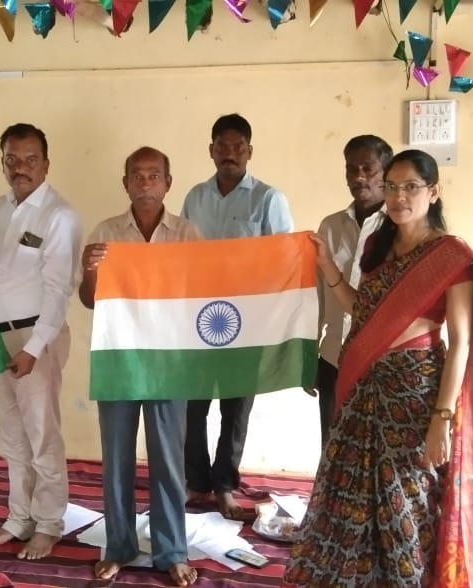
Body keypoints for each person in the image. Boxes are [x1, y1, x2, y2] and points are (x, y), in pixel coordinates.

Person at [284, 150, 473, 587]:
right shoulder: (378, 247)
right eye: (392, 187)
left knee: (406, 499)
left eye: (411, 187)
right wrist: (326, 265)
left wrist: (442, 418)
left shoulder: (450, 256)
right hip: (365, 390)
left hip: (413, 393)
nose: (399, 197)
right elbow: (362, 310)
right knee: (350, 496)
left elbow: (460, 344)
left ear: (433, 192)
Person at [0, 123, 81, 560]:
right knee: (11, 434)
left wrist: (33, 348)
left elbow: (59, 289)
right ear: (2, 161)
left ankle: (48, 523)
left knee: (42, 433)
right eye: (12, 159)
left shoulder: (59, 216)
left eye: (30, 160)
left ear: (46, 163)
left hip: (34, 337)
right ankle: (19, 517)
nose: (20, 168)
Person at [79, 147, 200, 587]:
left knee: (169, 461)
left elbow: (200, 294)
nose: (145, 182)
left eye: (154, 175)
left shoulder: (187, 233)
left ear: (168, 182)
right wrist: (90, 270)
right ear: (125, 182)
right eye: (137, 175)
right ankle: (119, 547)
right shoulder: (106, 233)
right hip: (119, 360)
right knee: (116, 459)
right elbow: (90, 299)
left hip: (170, 361)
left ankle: (172, 550)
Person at [180, 113, 294, 520]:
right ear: (211, 151)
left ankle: (225, 486)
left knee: (235, 407)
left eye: (237, 147)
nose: (229, 154)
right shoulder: (195, 197)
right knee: (192, 404)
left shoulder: (268, 199)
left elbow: (285, 263)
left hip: (246, 319)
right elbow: (182, 255)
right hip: (198, 317)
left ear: (249, 151)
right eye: (221, 147)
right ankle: (195, 482)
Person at [310, 135, 392, 448]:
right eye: (351, 169)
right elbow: (316, 293)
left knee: (374, 448)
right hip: (333, 355)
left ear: (386, 171)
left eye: (368, 168)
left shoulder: (398, 228)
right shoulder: (330, 227)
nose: (358, 177)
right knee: (332, 446)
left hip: (380, 361)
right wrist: (309, 354)